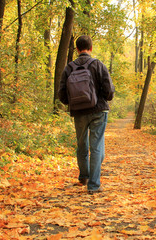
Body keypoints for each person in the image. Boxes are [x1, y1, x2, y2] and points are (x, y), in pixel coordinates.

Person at [58, 35, 115, 194]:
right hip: (98, 111)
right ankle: (94, 186)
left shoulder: (69, 68)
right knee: (96, 147)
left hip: (79, 112)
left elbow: (62, 95)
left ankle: (83, 177)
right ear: (90, 48)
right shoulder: (98, 65)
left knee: (82, 145)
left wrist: (75, 102)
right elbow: (109, 92)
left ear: (77, 49)